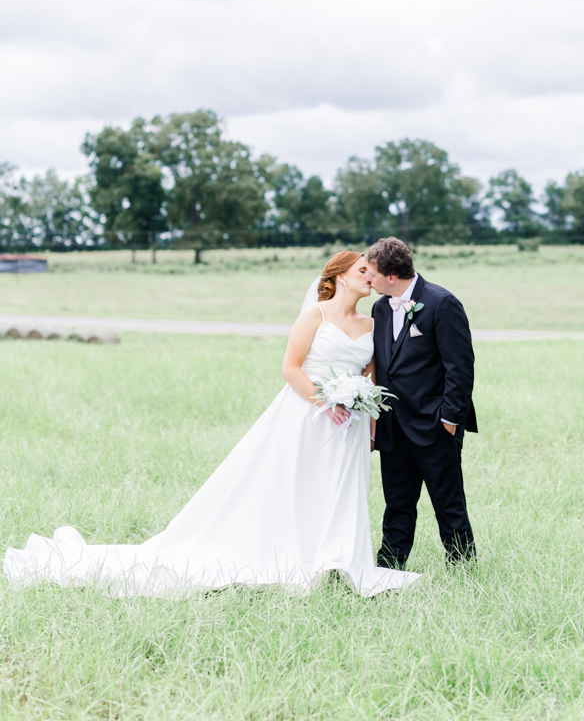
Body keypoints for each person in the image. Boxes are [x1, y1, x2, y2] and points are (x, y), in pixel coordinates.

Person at [3, 251, 420, 598]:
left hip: (347, 427)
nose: (371, 276)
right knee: (295, 483)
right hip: (307, 416)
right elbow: (290, 368)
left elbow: (370, 374)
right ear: (340, 276)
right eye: (362, 270)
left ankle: (336, 559)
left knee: (339, 488)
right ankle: (291, 555)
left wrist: (362, 410)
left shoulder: (371, 323)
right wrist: (324, 401)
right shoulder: (315, 315)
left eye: (372, 271)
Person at [367, 237, 477, 568]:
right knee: (397, 503)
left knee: (448, 503)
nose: (367, 279)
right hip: (393, 428)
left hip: (435, 426)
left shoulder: (442, 303)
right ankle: (387, 571)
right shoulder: (379, 308)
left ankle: (463, 569)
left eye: (371, 273)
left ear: (390, 276)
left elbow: (460, 368)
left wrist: (449, 421)